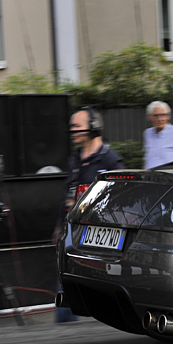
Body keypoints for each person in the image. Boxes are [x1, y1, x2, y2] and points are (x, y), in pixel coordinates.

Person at [56, 107, 123, 322]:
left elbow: (120, 201)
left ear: (93, 127)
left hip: (96, 237)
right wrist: (59, 226)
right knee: (67, 289)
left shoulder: (110, 161)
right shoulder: (74, 159)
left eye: (77, 126)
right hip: (70, 234)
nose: (72, 131)